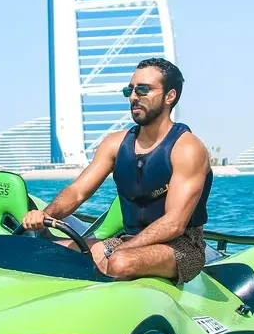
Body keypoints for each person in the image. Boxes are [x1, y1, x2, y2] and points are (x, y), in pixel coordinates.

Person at [21, 58, 212, 283]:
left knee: (119, 262)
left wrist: (118, 249)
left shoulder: (187, 148)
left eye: (143, 90)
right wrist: (46, 215)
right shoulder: (114, 144)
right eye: (129, 90)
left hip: (182, 247)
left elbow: (174, 223)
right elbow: (78, 192)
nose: (134, 97)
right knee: (51, 253)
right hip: (129, 240)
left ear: (170, 96)